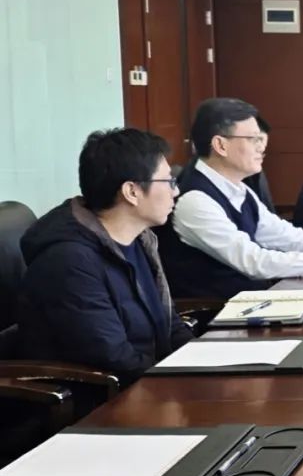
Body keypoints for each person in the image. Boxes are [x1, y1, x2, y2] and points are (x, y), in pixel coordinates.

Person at [158, 98, 303, 299]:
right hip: (217, 314)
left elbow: (291, 237)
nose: (262, 148)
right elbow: (254, 261)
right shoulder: (195, 200)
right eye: (253, 139)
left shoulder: (239, 189)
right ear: (220, 145)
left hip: (254, 301)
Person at [17, 129, 193, 380]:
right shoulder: (70, 262)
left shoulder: (141, 239)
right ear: (131, 192)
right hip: (108, 394)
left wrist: (204, 362)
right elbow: (115, 358)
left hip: (150, 380)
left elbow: (169, 324)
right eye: (168, 182)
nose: (176, 192)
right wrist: (180, 379)